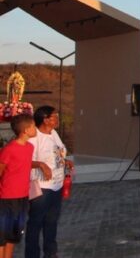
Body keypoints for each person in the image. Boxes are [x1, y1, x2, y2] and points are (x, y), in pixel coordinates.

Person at [26, 106, 74, 258]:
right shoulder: (35, 138)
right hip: (42, 188)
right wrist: (40, 164)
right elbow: (25, 160)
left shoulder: (53, 133)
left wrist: (64, 161)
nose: (57, 119)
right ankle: (32, 254)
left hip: (57, 185)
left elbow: (57, 151)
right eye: (54, 116)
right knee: (36, 223)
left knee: (51, 222)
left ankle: (51, 253)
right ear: (45, 120)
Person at [1, 114, 37, 258]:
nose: (35, 129)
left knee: (14, 234)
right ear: (26, 130)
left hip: (22, 197)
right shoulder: (9, 149)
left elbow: (24, 165)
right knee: (2, 235)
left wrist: (40, 165)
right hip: (6, 198)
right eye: (33, 126)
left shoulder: (29, 147)